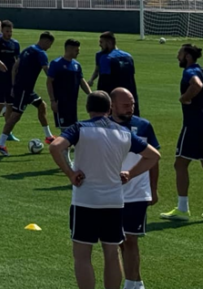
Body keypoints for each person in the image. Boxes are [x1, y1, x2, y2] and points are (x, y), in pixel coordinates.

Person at [48, 91, 160, 289]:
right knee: (112, 252)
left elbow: (56, 147)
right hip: (114, 202)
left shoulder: (80, 128)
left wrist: (70, 173)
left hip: (85, 200)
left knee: (82, 256)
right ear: (110, 108)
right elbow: (153, 156)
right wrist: (130, 174)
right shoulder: (124, 132)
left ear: (88, 109)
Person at [111, 87, 159, 289]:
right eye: (125, 105)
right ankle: (133, 281)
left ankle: (133, 284)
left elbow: (154, 160)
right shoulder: (102, 126)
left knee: (130, 239)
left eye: (132, 104)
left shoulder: (143, 126)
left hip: (136, 193)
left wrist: (153, 190)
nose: (131, 108)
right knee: (116, 241)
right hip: (109, 194)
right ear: (112, 105)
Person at [159, 43, 203, 221]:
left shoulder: (190, 71)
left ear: (187, 56)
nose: (177, 56)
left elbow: (197, 85)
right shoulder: (200, 69)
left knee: (180, 164)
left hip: (193, 126)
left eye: (179, 53)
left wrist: (185, 97)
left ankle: (183, 208)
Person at [0, 32, 56, 157]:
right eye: (50, 44)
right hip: (24, 90)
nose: (49, 47)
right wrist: (58, 81)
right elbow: (47, 71)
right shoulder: (41, 53)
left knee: (41, 105)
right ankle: (0, 144)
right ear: (46, 41)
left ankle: (49, 136)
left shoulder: (28, 49)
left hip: (24, 88)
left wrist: (13, 85)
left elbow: (15, 67)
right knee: (15, 117)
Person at [46, 39, 93, 168]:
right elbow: (49, 82)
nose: (79, 52)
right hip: (61, 104)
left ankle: (68, 160)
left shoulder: (76, 65)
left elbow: (81, 80)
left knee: (72, 133)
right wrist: (52, 100)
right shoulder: (56, 64)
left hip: (73, 106)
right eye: (76, 50)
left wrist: (91, 95)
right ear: (69, 49)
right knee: (66, 134)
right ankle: (67, 162)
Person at [92, 33, 140, 116]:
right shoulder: (128, 56)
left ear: (109, 42)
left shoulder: (106, 58)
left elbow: (104, 83)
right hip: (130, 98)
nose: (99, 44)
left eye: (101, 42)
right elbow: (132, 80)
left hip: (114, 102)